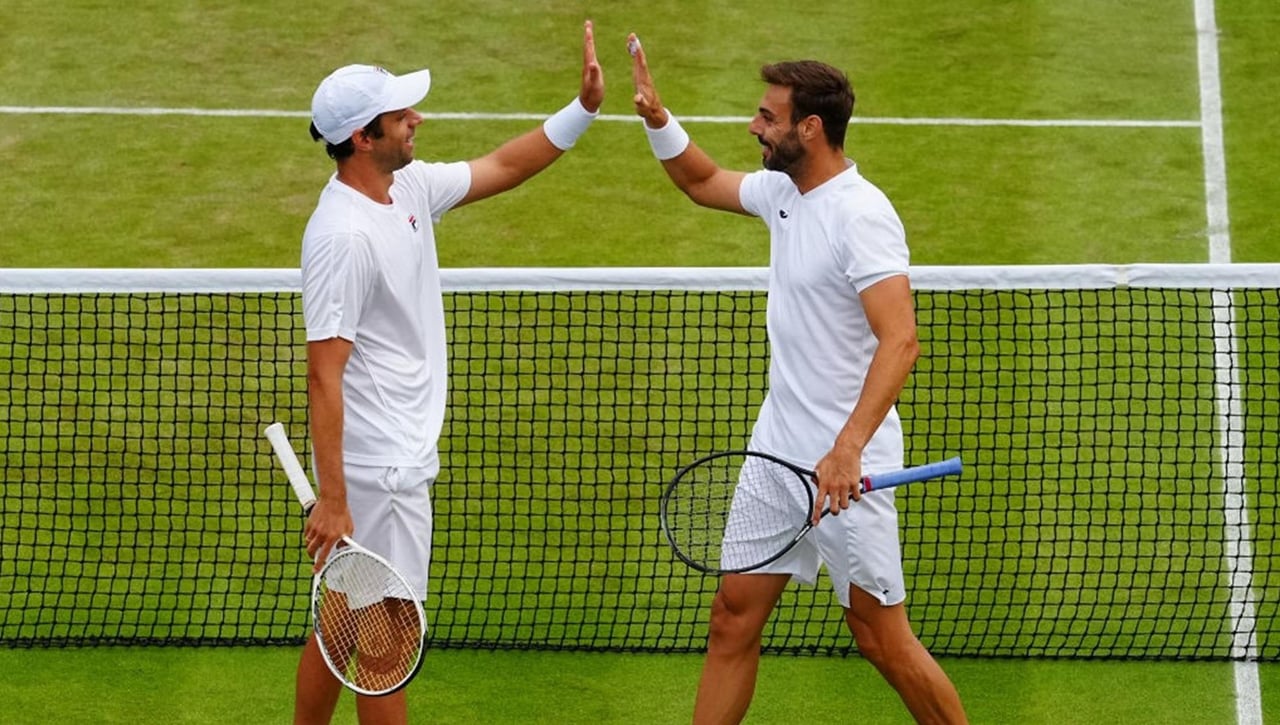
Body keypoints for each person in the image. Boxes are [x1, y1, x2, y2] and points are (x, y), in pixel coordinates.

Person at [627, 35, 968, 725]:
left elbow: (901, 341)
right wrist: (659, 119)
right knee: (732, 617)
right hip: (776, 452)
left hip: (847, 466)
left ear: (809, 128)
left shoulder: (861, 215)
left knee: (879, 636)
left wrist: (846, 449)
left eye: (767, 116)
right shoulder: (784, 192)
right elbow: (701, 182)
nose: (754, 126)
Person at [294, 21, 604, 725]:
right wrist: (335, 498)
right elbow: (323, 375)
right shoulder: (343, 236)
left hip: (387, 459)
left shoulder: (404, 188)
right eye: (401, 114)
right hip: (383, 470)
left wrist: (583, 109)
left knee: (342, 616)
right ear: (363, 137)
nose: (418, 119)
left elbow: (504, 165)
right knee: (388, 641)